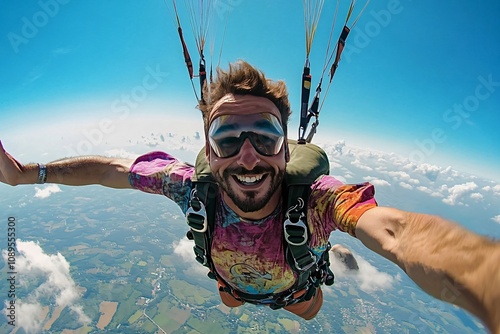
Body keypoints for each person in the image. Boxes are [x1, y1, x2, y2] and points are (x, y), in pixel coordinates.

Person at [1, 61, 499, 332]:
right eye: (226, 138)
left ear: (286, 149)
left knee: (310, 307)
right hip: (233, 285)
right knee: (231, 300)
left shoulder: (319, 201)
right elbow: (114, 168)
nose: (247, 157)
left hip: (298, 292)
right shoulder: (191, 186)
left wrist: (485, 277)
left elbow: (395, 232)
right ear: (208, 150)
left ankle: (332, 252)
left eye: (264, 135)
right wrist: (28, 173)